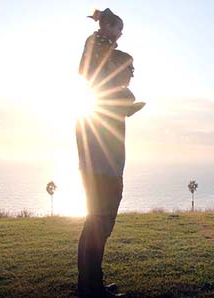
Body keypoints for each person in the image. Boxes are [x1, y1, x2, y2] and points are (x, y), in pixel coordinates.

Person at [76, 8, 136, 298]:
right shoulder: (97, 50)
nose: (120, 34)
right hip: (101, 163)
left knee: (99, 220)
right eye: (118, 29)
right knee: (99, 219)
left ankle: (91, 283)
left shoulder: (107, 86)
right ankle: (90, 287)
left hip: (104, 161)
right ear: (107, 27)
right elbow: (95, 70)